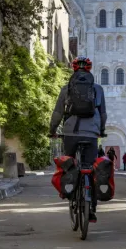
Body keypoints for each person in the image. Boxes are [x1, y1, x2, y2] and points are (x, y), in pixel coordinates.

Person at [49, 56, 107, 220]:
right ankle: (92, 209)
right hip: (91, 134)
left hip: (70, 132)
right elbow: (103, 114)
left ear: (74, 69)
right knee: (92, 169)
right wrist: (100, 130)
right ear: (89, 70)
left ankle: (69, 192)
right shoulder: (98, 89)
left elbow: (58, 113)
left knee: (70, 164)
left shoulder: (66, 88)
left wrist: (52, 129)